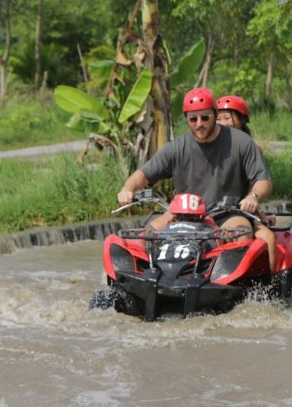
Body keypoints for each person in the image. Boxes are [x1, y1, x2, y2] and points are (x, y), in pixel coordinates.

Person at [117, 88, 272, 243]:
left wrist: (253, 197)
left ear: (215, 114)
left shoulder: (242, 142)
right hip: (182, 216)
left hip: (227, 215)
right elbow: (143, 175)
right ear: (187, 119)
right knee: (144, 238)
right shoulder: (177, 147)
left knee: (240, 234)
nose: (199, 124)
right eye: (193, 119)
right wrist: (127, 189)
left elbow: (262, 180)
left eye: (205, 117)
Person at [216, 95, 278, 271]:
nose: (223, 123)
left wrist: (259, 212)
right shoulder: (211, 146)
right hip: (212, 209)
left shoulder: (250, 148)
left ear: (242, 120)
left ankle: (268, 287)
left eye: (227, 118)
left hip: (240, 210)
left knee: (268, 239)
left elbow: (254, 185)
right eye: (218, 118)